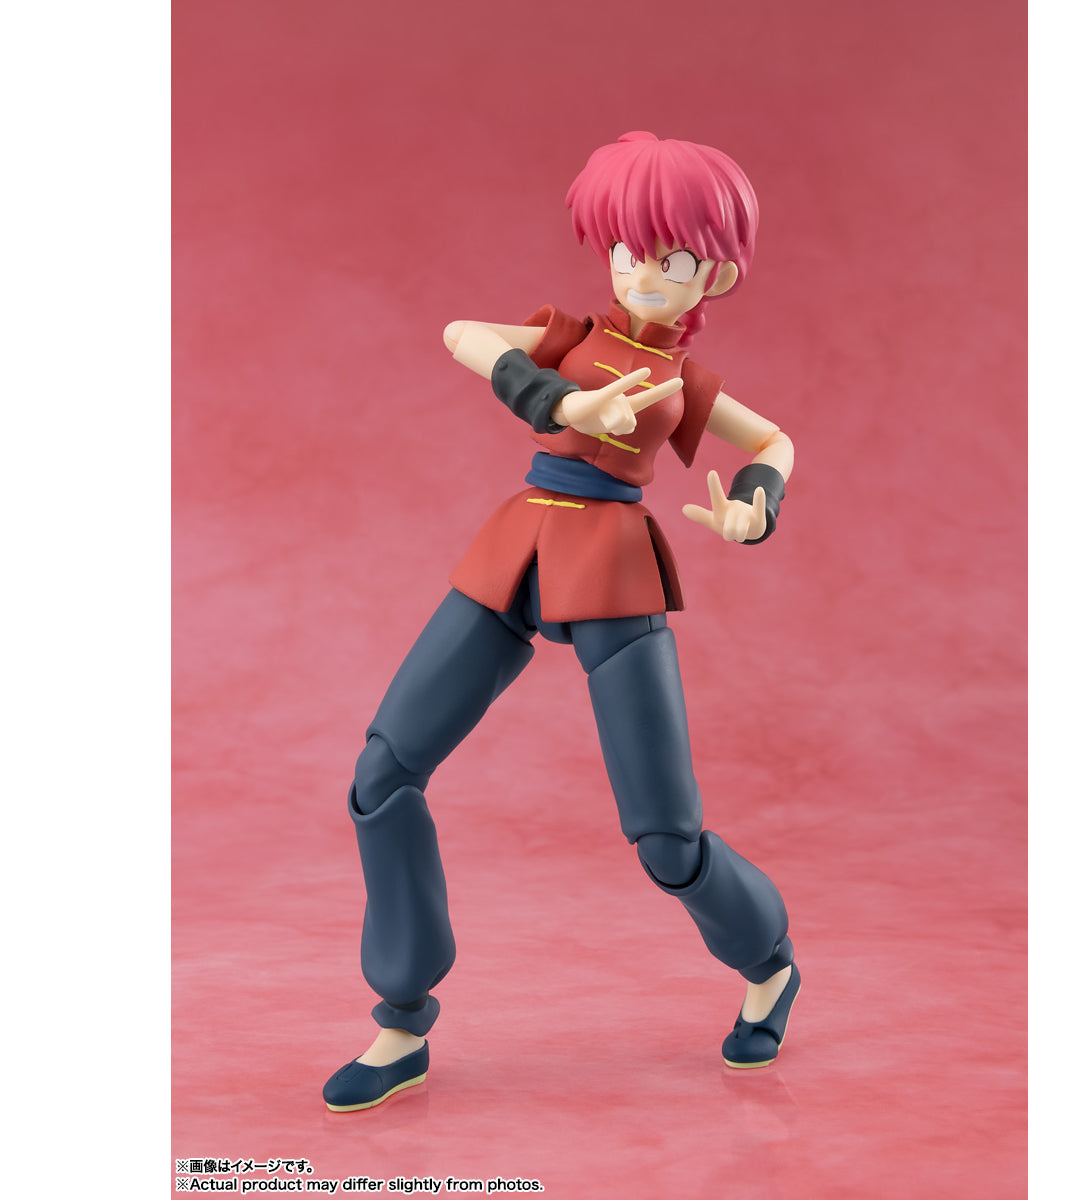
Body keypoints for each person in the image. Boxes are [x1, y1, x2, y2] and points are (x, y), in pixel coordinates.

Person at [323, 131, 801, 1112]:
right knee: (382, 777)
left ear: (715, 273)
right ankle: (401, 1018)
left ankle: (770, 963)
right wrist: (559, 402)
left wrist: (756, 504)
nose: (642, 274)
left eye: (670, 260)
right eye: (627, 250)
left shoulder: (679, 383)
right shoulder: (575, 338)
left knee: (667, 841)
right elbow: (464, 333)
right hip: (519, 551)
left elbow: (773, 441)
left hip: (614, 569)